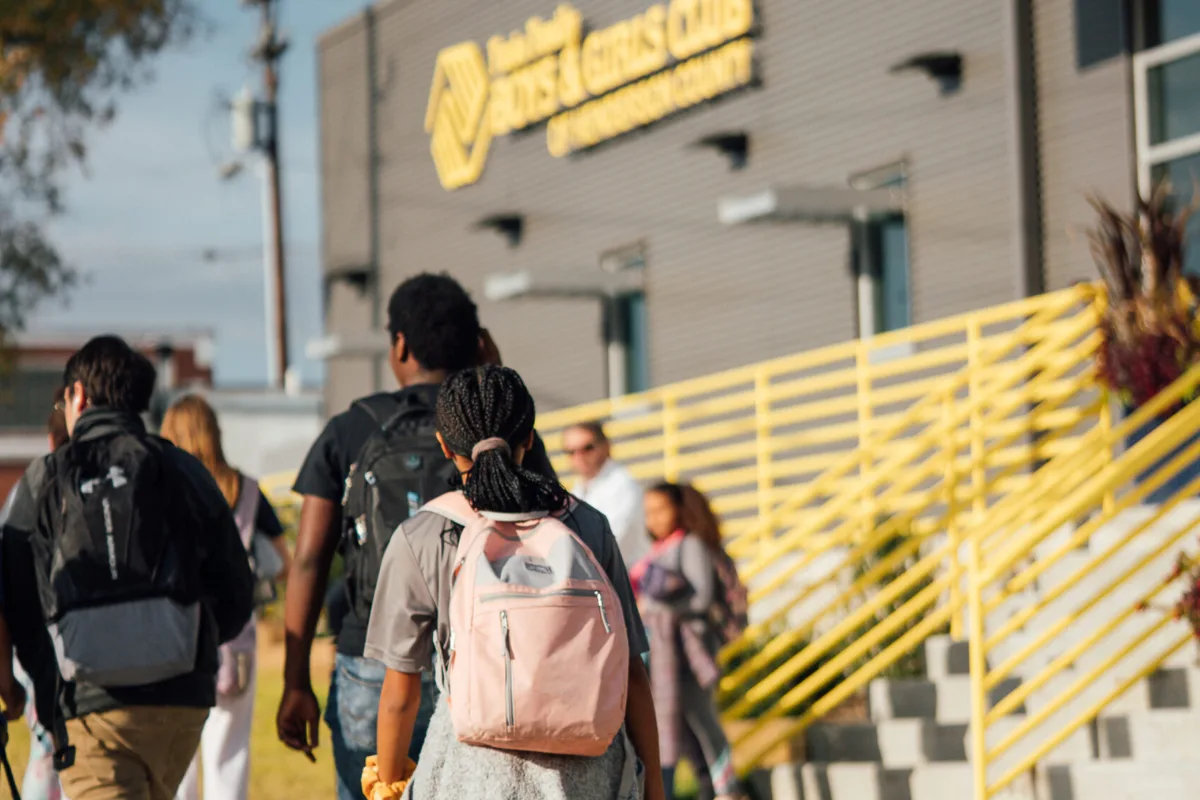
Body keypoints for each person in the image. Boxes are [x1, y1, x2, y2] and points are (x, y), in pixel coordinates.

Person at [277, 273, 557, 800]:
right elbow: (551, 524)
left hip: (373, 664)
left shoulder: (350, 429)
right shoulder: (503, 425)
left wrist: (296, 683)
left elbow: (311, 559)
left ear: (399, 343)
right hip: (490, 659)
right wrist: (494, 372)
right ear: (478, 344)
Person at [364, 365, 666, 800]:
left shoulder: (422, 535)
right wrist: (653, 784)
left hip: (468, 774)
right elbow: (632, 672)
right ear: (529, 438)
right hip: (589, 775)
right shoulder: (586, 524)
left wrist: (387, 785)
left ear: (444, 445)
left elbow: (400, 690)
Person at [0, 335, 255, 800]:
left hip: (88, 708)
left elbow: (11, 595)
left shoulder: (43, 479)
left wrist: (25, 684)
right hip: (181, 702)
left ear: (77, 395)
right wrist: (184, 642)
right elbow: (237, 592)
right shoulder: (183, 470)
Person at [159, 395, 291, 800]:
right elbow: (285, 561)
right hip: (236, 638)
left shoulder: (163, 489)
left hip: (175, 636)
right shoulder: (246, 490)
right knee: (228, 756)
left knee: (176, 761)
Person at [634, 483, 746, 800]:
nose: (654, 518)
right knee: (678, 729)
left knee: (702, 719)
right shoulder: (658, 550)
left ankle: (728, 789)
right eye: (649, 512)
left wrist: (655, 609)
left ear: (680, 510)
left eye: (661, 510)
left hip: (691, 649)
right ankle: (706, 788)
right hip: (664, 651)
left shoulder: (690, 545)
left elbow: (702, 598)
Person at [4, 390, 70, 800]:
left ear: (50, 441)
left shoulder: (28, 490)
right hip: (94, 652)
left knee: (46, 753)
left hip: (38, 646)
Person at [565, 421, 651, 567]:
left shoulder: (623, 486)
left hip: (627, 578)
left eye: (587, 448)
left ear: (606, 446)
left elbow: (608, 542)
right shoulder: (579, 489)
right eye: (571, 452)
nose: (579, 456)